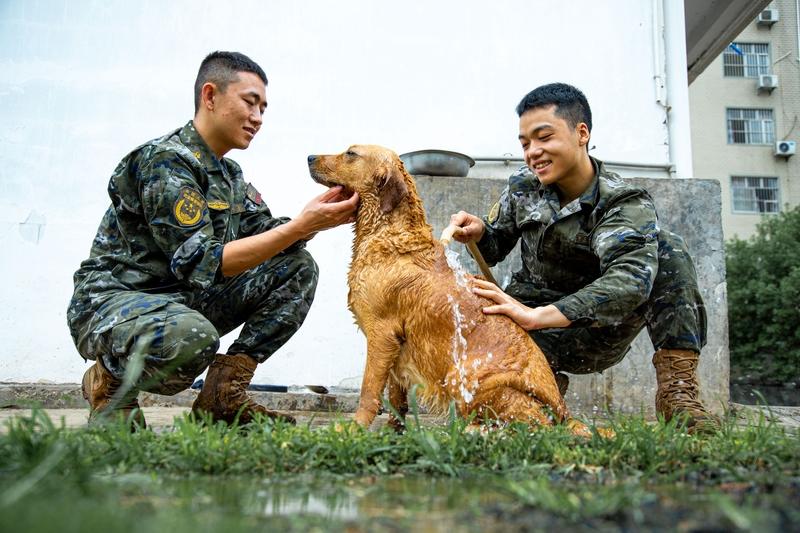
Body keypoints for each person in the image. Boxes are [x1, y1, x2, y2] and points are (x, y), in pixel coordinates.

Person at [67, 51, 359, 428]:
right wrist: (302, 226)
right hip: (115, 302)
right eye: (250, 102)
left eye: (263, 109)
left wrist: (319, 217)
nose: (258, 117)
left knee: (297, 268)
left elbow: (268, 234)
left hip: (183, 299)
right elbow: (201, 260)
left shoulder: (229, 175)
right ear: (210, 96)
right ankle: (109, 383)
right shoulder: (164, 162)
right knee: (193, 337)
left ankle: (222, 396)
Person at [449, 82, 717, 431]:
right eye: (525, 143)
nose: (533, 152)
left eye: (544, 137)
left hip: (596, 331)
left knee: (667, 249)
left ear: (581, 133)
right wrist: (480, 232)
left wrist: (538, 316)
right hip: (529, 331)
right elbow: (495, 245)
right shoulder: (523, 187)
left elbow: (629, 282)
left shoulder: (622, 201)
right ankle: (538, 391)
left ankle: (678, 395)